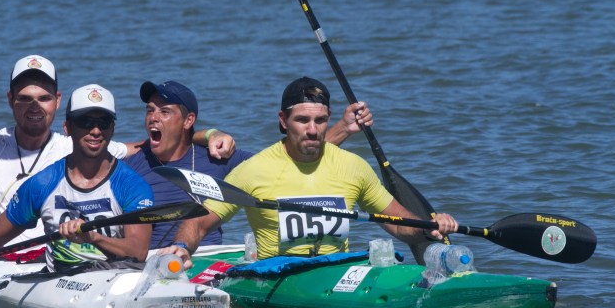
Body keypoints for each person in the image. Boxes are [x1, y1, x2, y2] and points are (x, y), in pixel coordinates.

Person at [0, 11, 231, 241]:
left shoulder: (80, 146)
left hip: (55, 269)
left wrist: (209, 134)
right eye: (24, 98)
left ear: (58, 102)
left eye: (43, 98)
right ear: (10, 100)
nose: (34, 107)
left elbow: (156, 143)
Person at [162, 77, 458, 267]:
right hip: (277, 277)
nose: (313, 130)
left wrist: (427, 227)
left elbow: (398, 224)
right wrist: (181, 246)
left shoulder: (353, 166)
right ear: (283, 120)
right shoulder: (253, 171)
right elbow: (199, 223)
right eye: (302, 120)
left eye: (321, 120)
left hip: (335, 273)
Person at [0, 84, 154, 284]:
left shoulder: (132, 185)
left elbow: (138, 250)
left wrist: (93, 237)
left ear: (112, 128)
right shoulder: (43, 183)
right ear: (68, 128)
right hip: (59, 283)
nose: (95, 130)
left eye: (104, 122)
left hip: (116, 280)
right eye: (85, 121)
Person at [125, 80, 374, 249]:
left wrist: (342, 129)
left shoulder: (218, 158)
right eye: (149, 111)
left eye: (164, 112)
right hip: (154, 263)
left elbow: (285, 163)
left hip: (209, 263)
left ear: (189, 120)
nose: (153, 118)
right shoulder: (130, 167)